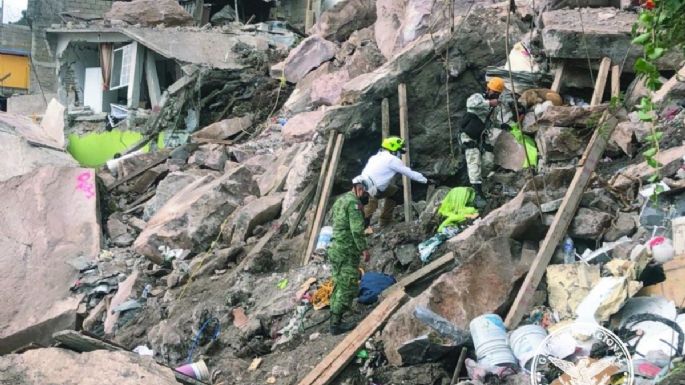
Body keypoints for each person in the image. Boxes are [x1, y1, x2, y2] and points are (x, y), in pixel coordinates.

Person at [460, 77, 519, 201]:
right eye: (494, 92)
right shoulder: (478, 98)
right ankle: (477, 193)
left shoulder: (494, 106)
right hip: (469, 135)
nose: (495, 95)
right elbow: (469, 104)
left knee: (488, 160)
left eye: (497, 93)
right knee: (474, 159)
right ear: (488, 89)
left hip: (482, 136)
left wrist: (501, 125)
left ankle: (479, 183)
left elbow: (491, 121)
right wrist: (489, 103)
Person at [354, 136, 428, 227]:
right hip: (371, 189)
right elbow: (408, 172)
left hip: (361, 185)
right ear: (393, 149)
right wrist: (425, 180)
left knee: (395, 191)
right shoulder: (392, 159)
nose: (400, 154)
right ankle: (361, 228)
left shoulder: (375, 157)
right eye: (399, 151)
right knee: (368, 210)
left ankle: (384, 221)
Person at [328, 180, 370, 335]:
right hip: (346, 251)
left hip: (336, 249)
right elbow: (357, 230)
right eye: (366, 193)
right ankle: (336, 325)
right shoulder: (354, 205)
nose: (367, 197)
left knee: (339, 284)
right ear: (359, 189)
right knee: (348, 286)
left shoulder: (342, 200)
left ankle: (335, 316)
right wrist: (364, 249)